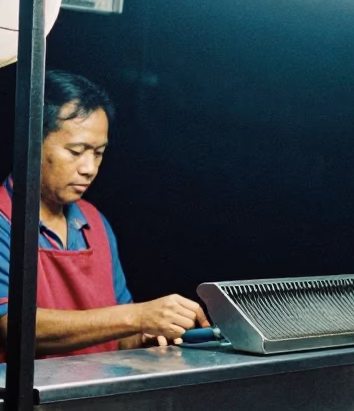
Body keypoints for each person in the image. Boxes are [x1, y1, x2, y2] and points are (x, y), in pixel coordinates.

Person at [0, 70, 208, 360]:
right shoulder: (3, 219)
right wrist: (137, 317)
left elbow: (118, 335)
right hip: (24, 403)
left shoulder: (95, 222)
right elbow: (12, 327)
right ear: (30, 142)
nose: (89, 168)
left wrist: (146, 334)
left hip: (93, 398)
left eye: (98, 153)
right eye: (76, 151)